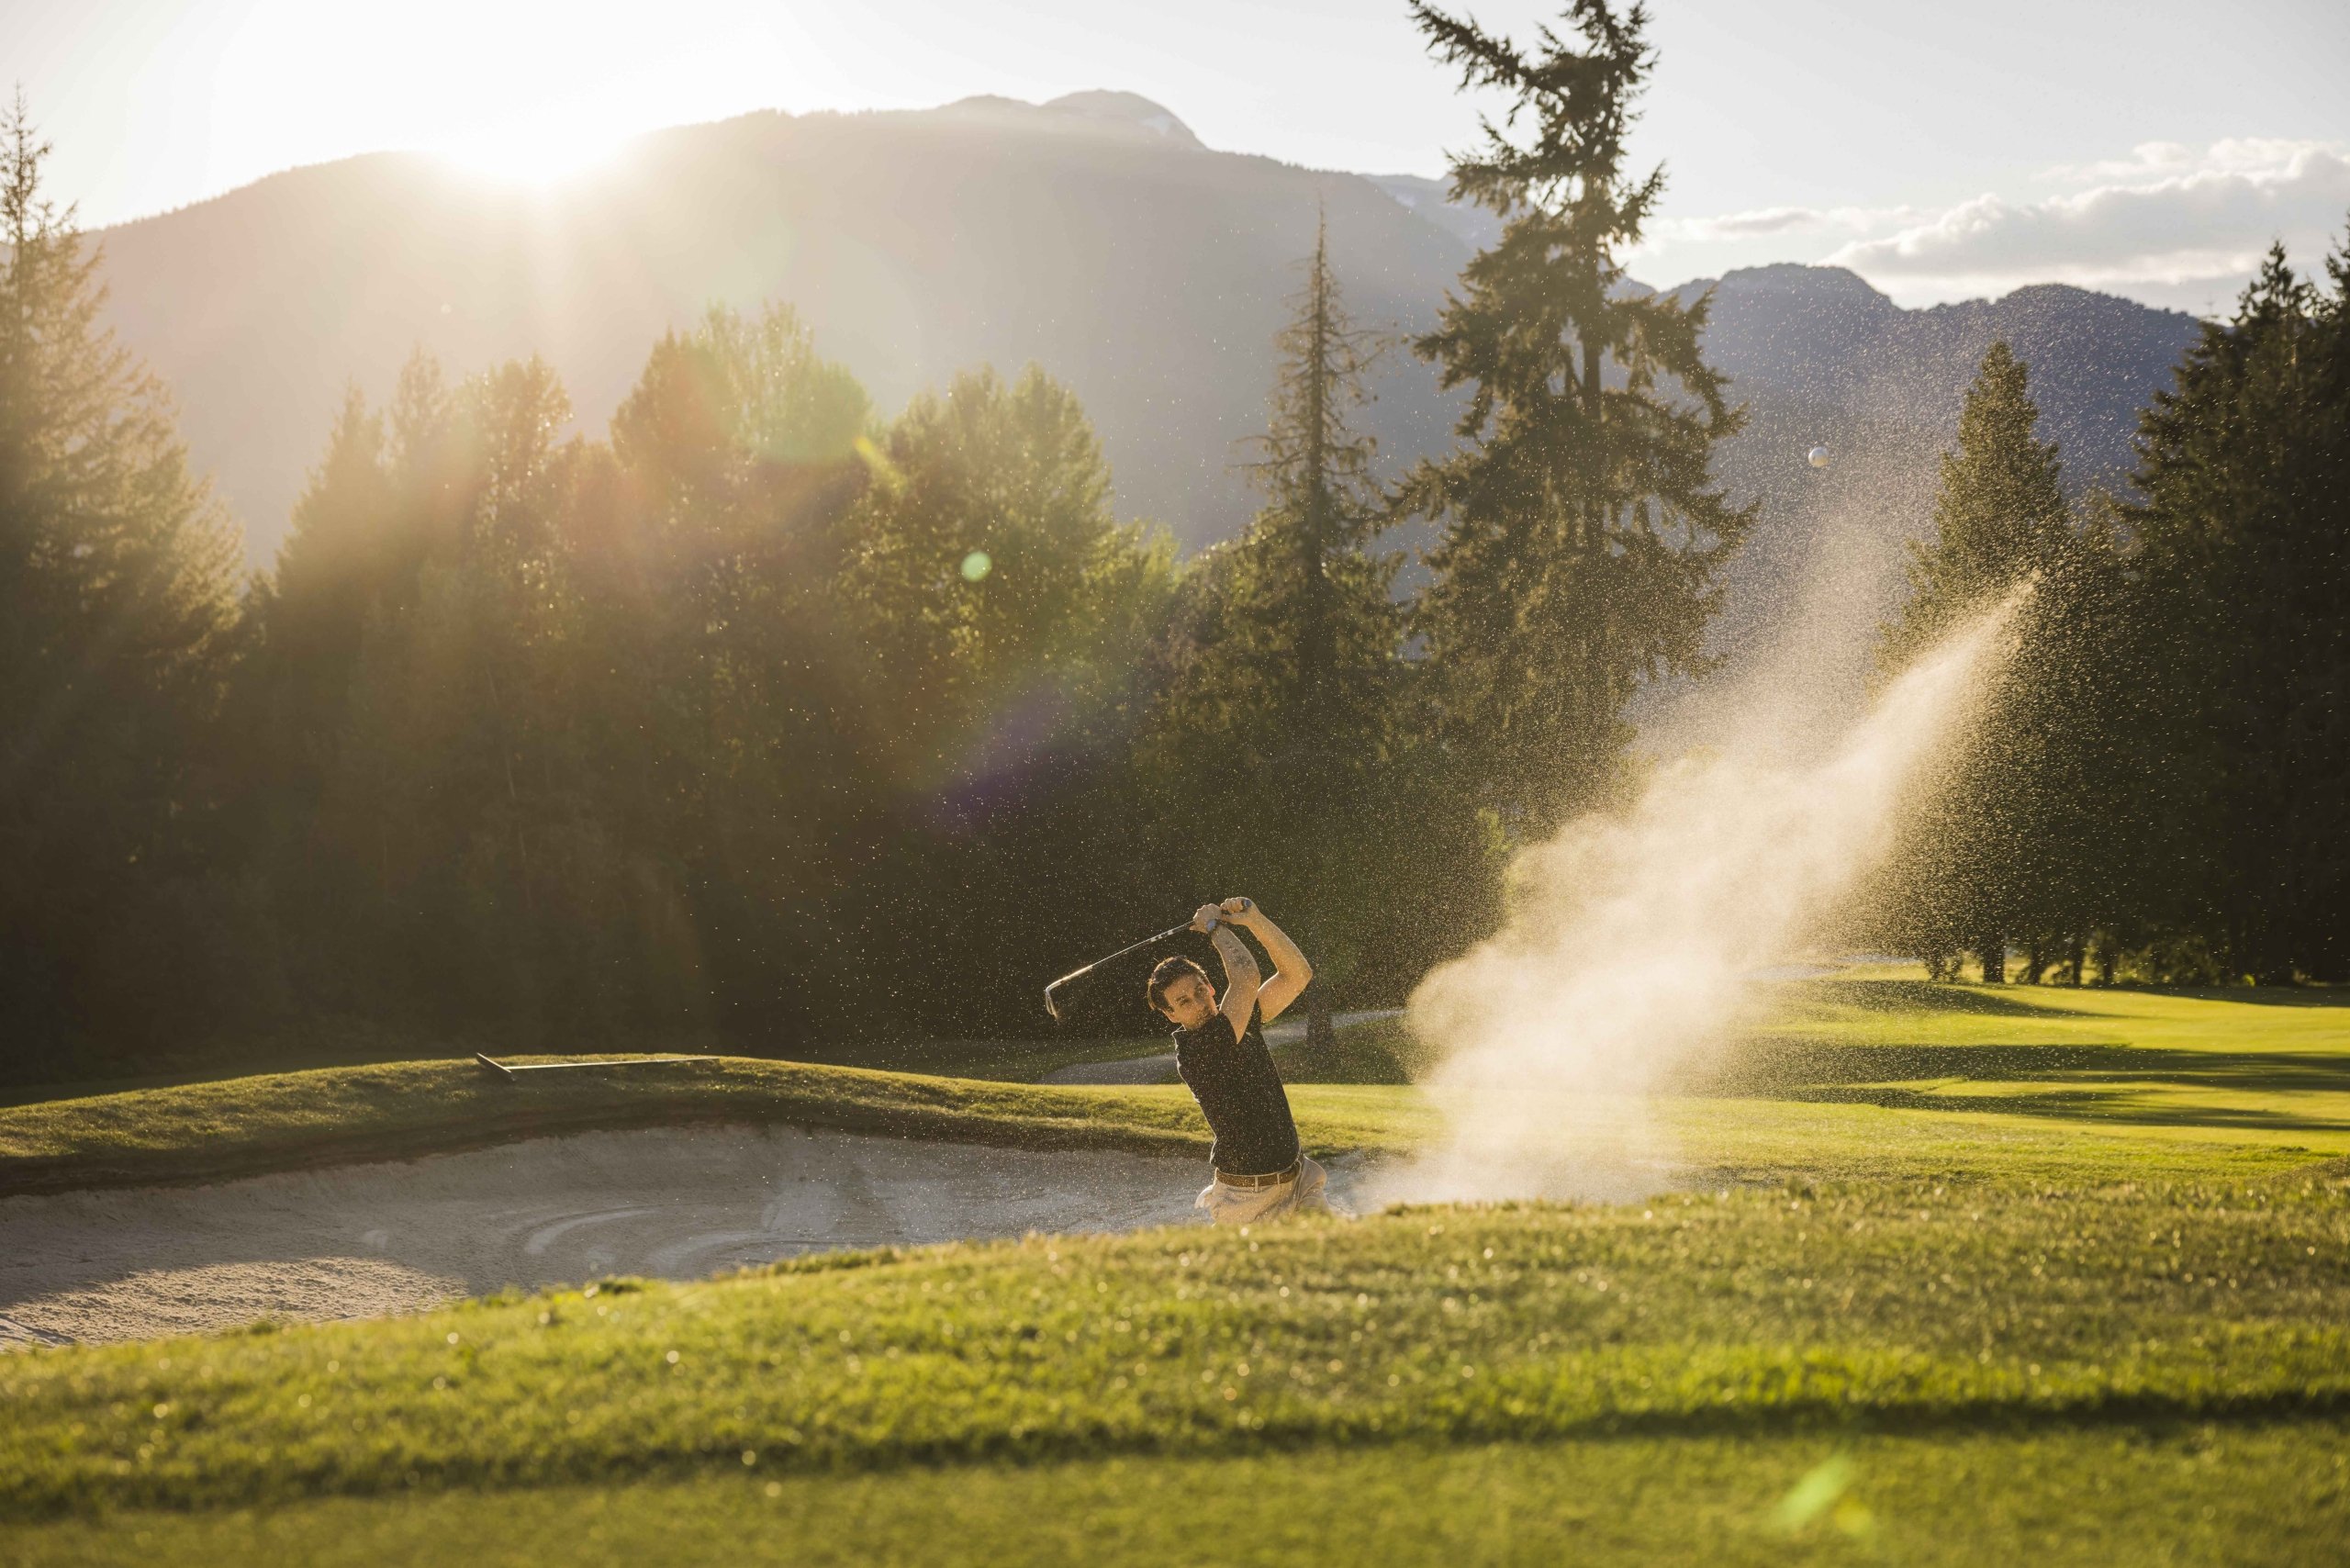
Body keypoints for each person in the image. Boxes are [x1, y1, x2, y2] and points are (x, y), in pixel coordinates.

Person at [1147, 897, 1334, 1225]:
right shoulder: (1197, 1049)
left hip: (1299, 1177)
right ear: (1170, 1013)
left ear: (1211, 986)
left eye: (1199, 990)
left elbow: (1297, 974)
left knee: (1335, 1258)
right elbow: (1246, 974)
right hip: (1249, 1200)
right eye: (1183, 1001)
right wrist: (1213, 926)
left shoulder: (1241, 1019)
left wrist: (1256, 920)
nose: (1198, 1002)